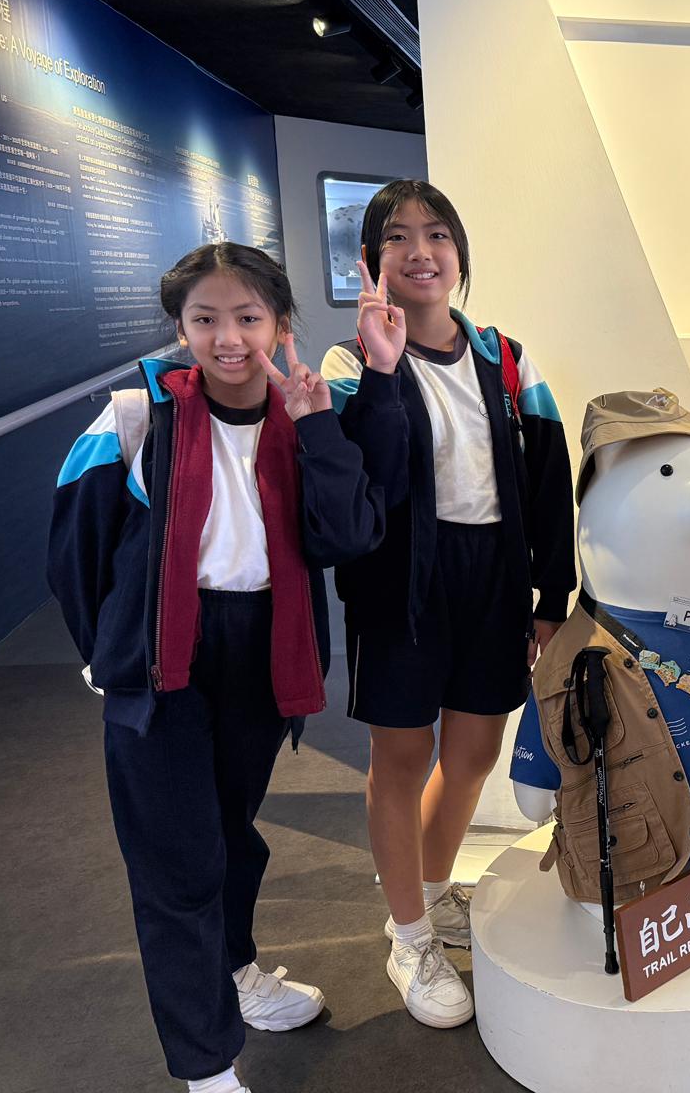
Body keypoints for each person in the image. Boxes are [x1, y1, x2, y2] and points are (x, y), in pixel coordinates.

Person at [48, 243, 388, 1093]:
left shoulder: (304, 415)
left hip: (263, 649)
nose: (228, 338)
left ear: (280, 323)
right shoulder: (137, 415)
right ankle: (206, 1065)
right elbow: (77, 550)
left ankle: (235, 971)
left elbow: (349, 537)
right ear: (181, 327)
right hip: (162, 655)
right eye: (205, 319)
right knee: (177, 863)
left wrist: (318, 426)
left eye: (247, 317)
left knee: (232, 835)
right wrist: (111, 649)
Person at [320, 179, 574, 1027]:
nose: (420, 252)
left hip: (493, 576)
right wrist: (383, 368)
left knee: (472, 754)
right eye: (397, 237)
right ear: (372, 260)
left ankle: (431, 894)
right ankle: (408, 939)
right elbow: (367, 481)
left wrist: (552, 593)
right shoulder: (349, 364)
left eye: (436, 235)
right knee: (401, 758)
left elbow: (550, 480)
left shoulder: (506, 358)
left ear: (459, 254)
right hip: (399, 582)